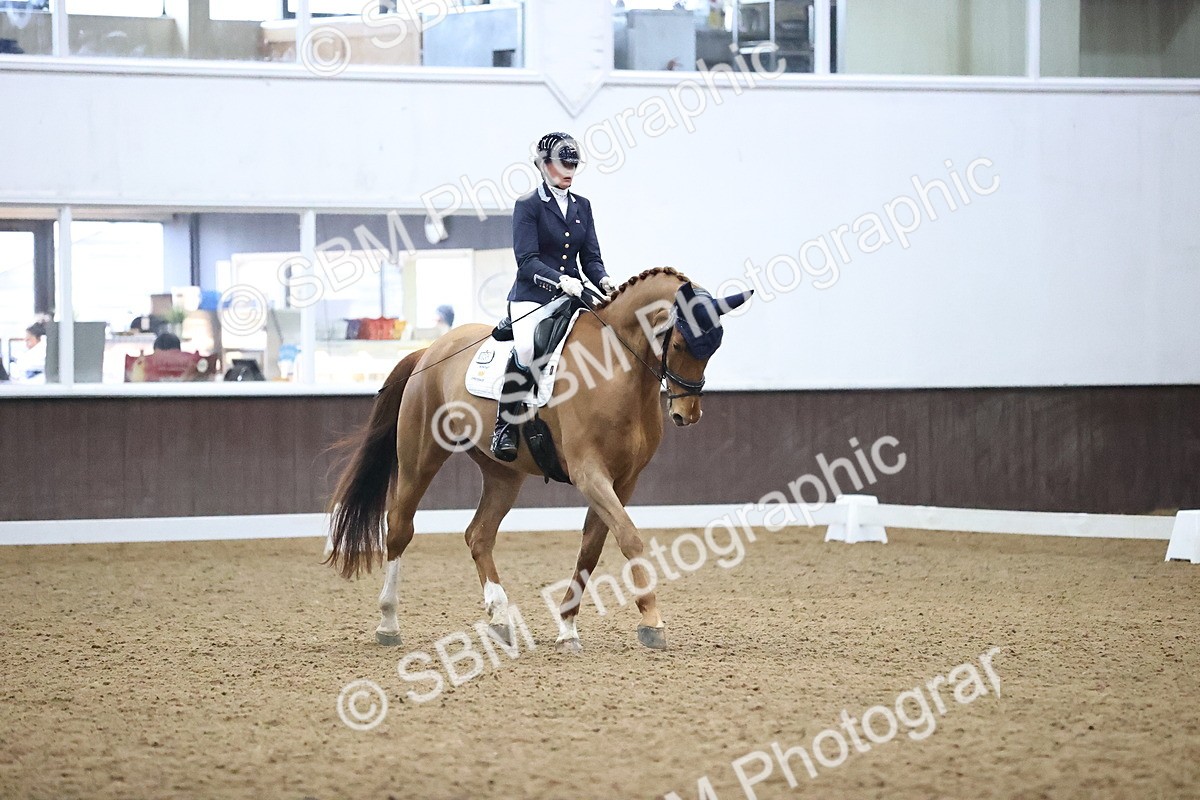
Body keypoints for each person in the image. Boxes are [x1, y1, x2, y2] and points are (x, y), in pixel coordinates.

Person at [490, 131, 617, 462]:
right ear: (543, 165)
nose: (569, 171)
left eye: (573, 165)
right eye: (563, 164)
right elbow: (526, 259)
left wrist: (603, 279)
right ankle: (504, 426)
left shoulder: (583, 206)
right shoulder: (528, 206)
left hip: (574, 292)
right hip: (533, 294)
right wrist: (560, 280)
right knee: (529, 347)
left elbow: (589, 257)